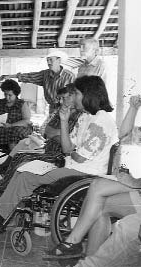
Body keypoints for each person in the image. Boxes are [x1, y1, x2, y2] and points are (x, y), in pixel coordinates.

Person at [0, 76, 118, 226]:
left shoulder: (101, 121)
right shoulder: (86, 117)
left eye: (76, 94)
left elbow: (78, 156)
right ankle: (1, 209)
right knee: (23, 171)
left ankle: (1, 213)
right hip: (73, 166)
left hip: (85, 173)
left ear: (88, 95)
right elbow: (67, 148)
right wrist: (63, 121)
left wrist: (72, 150)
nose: (73, 98)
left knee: (28, 177)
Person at [43, 94, 141, 264]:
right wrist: (133, 107)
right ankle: (85, 255)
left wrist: (134, 181)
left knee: (97, 188)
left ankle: (74, 246)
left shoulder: (100, 118)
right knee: (99, 205)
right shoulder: (87, 117)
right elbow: (123, 134)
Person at [0, 84, 85, 198]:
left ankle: (4, 190)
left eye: (64, 98)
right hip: (48, 148)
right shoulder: (62, 111)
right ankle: (3, 187)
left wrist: (59, 135)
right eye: (60, 98)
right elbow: (47, 130)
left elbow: (68, 142)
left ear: (73, 97)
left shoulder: (80, 116)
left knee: (24, 158)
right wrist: (61, 134)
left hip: (59, 156)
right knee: (19, 155)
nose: (61, 101)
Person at [2, 49, 75, 114]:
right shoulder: (45, 74)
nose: (49, 62)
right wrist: (10, 76)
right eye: (47, 60)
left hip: (66, 108)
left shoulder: (69, 76)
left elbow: (73, 96)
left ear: (59, 60)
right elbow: (29, 76)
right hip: (52, 109)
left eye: (51, 60)